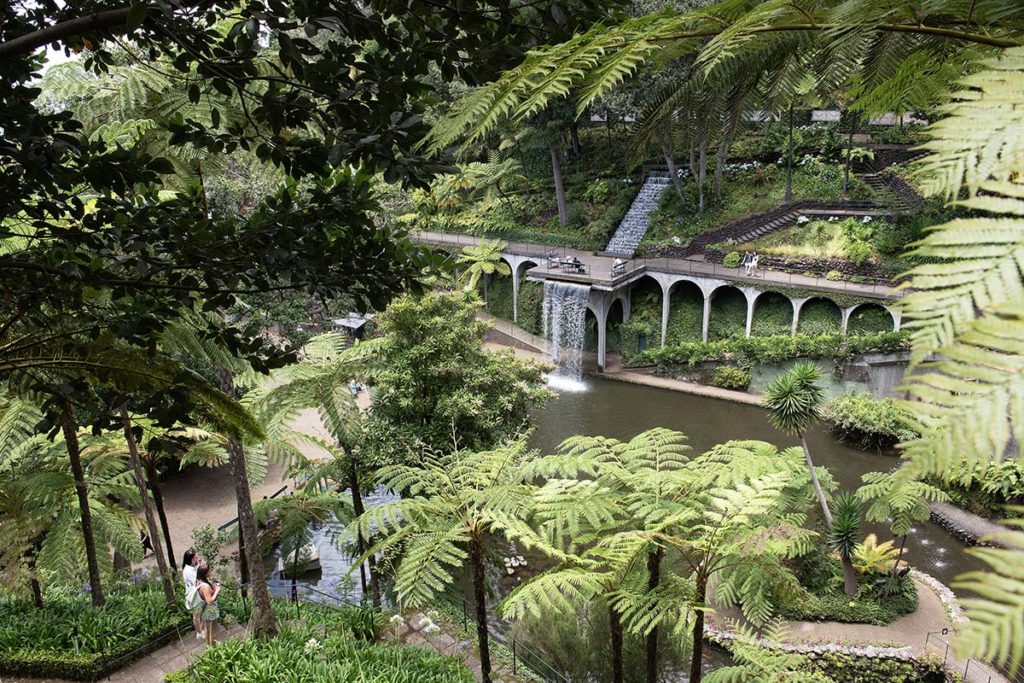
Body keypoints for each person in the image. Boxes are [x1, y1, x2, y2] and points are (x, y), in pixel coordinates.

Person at [196, 563, 221, 645]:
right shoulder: (205, 586)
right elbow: (209, 601)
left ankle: (208, 645)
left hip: (205, 610)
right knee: (213, 630)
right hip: (210, 609)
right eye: (209, 571)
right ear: (205, 573)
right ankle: (214, 647)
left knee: (207, 628)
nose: (211, 572)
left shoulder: (199, 582)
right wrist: (217, 591)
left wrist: (214, 586)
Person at [182, 549, 203, 640]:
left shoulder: (192, 566)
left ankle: (202, 629)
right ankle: (199, 632)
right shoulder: (187, 571)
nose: (197, 558)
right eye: (195, 558)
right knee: (196, 615)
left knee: (199, 613)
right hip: (195, 596)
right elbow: (197, 581)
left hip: (198, 593)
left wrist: (199, 565)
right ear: (190, 559)